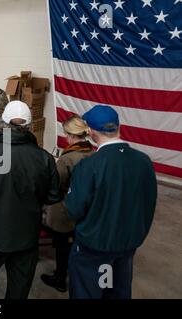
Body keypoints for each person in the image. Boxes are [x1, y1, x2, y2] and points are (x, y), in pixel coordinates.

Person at [0, 101, 61, 299]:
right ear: (30, 126)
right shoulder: (45, 159)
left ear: (3, 125)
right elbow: (53, 198)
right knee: (19, 289)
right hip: (27, 237)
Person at [66, 105, 157, 299]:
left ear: (89, 131)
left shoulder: (89, 166)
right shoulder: (144, 161)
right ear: (118, 127)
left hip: (93, 247)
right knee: (116, 292)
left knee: (87, 292)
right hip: (127, 245)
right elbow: (149, 202)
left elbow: (74, 208)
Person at [40, 115, 93, 292]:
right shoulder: (92, 153)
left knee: (63, 245)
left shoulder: (68, 159)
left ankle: (60, 277)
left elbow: (55, 184)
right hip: (85, 208)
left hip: (65, 210)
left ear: (70, 135)